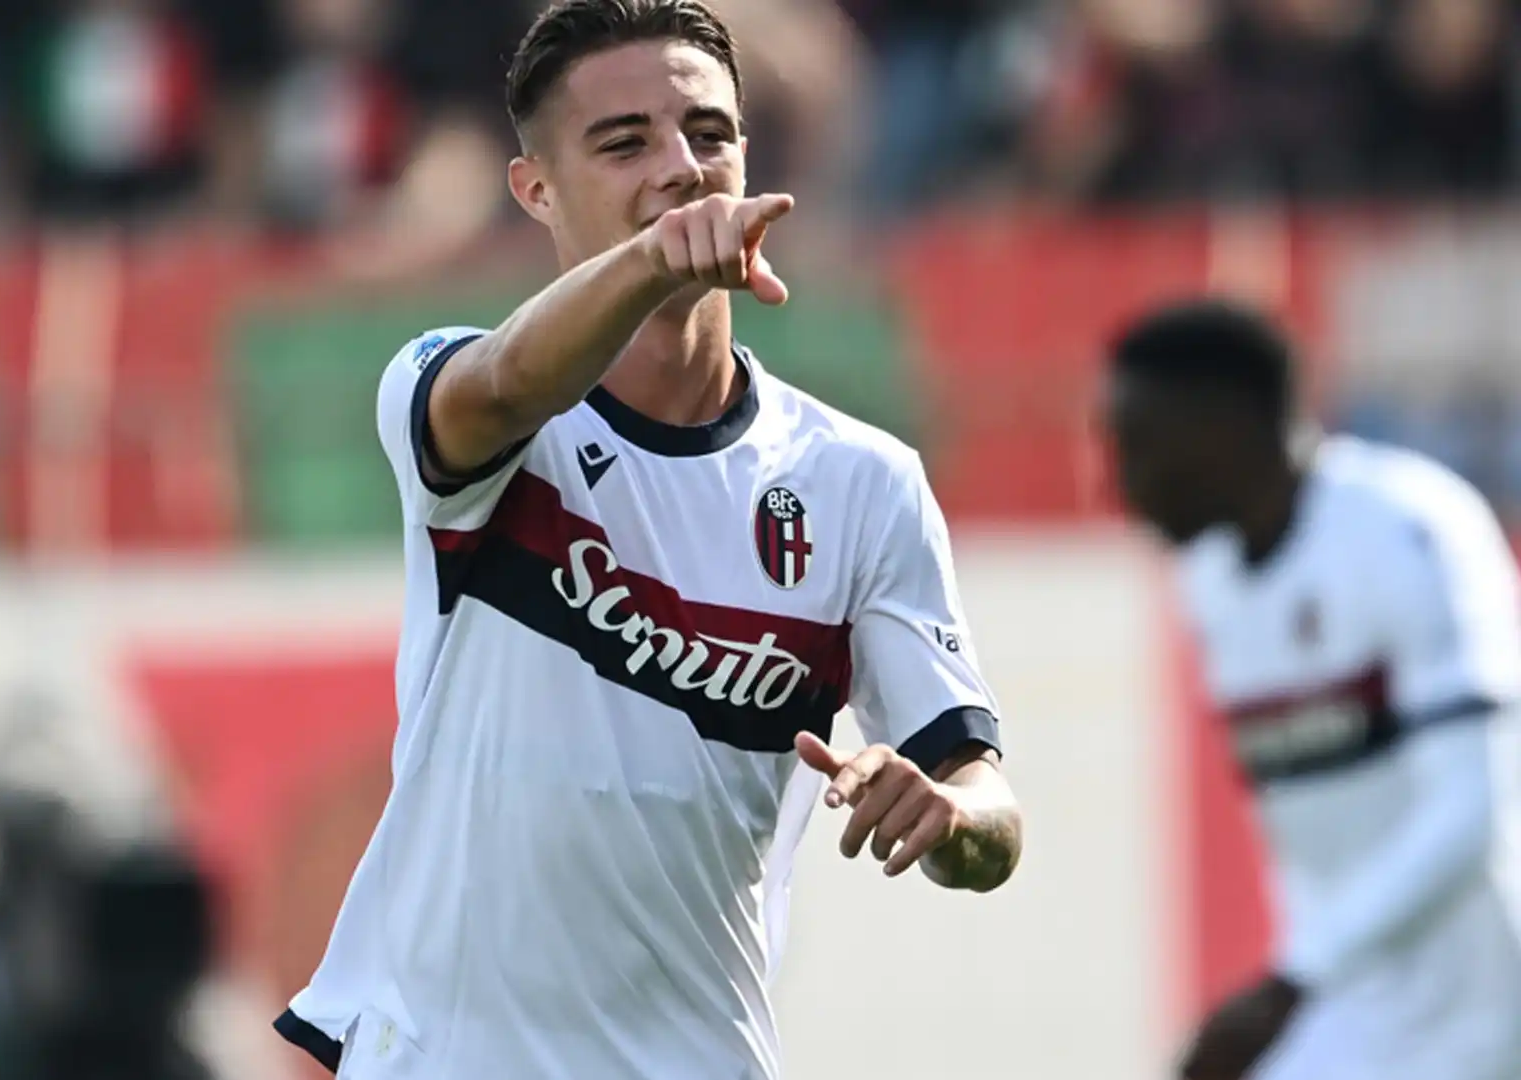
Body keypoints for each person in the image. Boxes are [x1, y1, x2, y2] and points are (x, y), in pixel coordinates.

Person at [272, 2, 1024, 1077]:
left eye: (708, 135)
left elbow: (988, 810)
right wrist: (653, 265)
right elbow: (509, 383)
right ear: (535, 188)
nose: (680, 167)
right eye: (624, 144)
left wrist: (952, 818)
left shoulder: (863, 484)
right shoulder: (461, 393)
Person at [1101, 299, 1521, 1080]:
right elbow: (1312, 826)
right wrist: (1304, 977)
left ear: (1221, 428)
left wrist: (1292, 982)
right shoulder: (1207, 580)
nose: (1120, 481)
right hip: (1348, 1006)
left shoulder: (1409, 529)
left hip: (1485, 1006)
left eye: (1137, 443)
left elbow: (1471, 809)